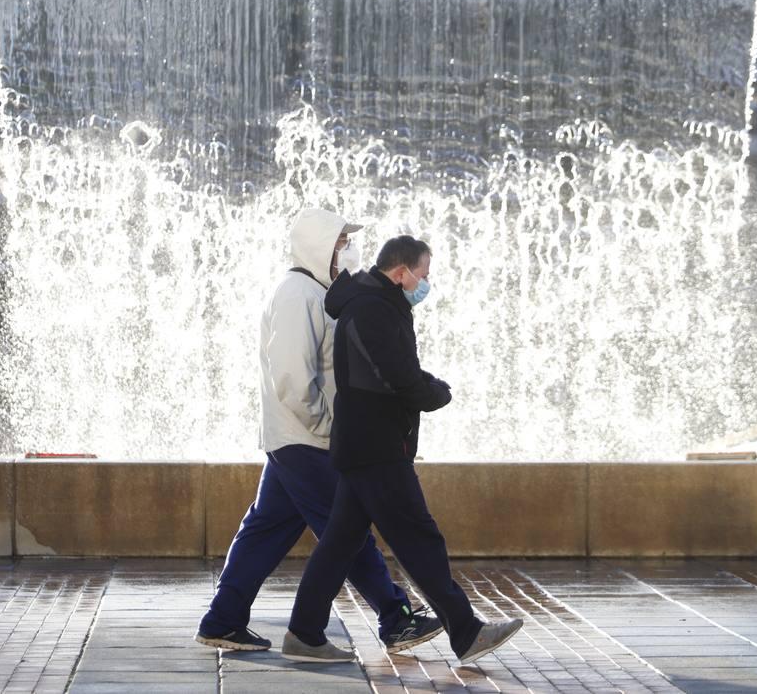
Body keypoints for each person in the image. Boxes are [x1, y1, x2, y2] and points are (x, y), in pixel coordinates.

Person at [196, 209, 443, 654]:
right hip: (307, 440)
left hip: (295, 438)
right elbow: (292, 378)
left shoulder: (313, 291)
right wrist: (330, 427)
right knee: (347, 533)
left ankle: (223, 619)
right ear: (317, 245)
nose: (345, 250)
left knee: (265, 532)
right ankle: (395, 617)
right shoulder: (297, 293)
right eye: (339, 242)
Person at [281, 235, 523, 665]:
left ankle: (303, 632)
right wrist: (435, 393)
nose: (424, 283)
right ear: (400, 273)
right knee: (419, 539)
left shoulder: (375, 303)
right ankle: (466, 633)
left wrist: (424, 384)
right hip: (377, 449)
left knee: (339, 545)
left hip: (365, 445)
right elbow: (396, 375)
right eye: (423, 275)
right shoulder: (372, 309)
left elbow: (392, 368)